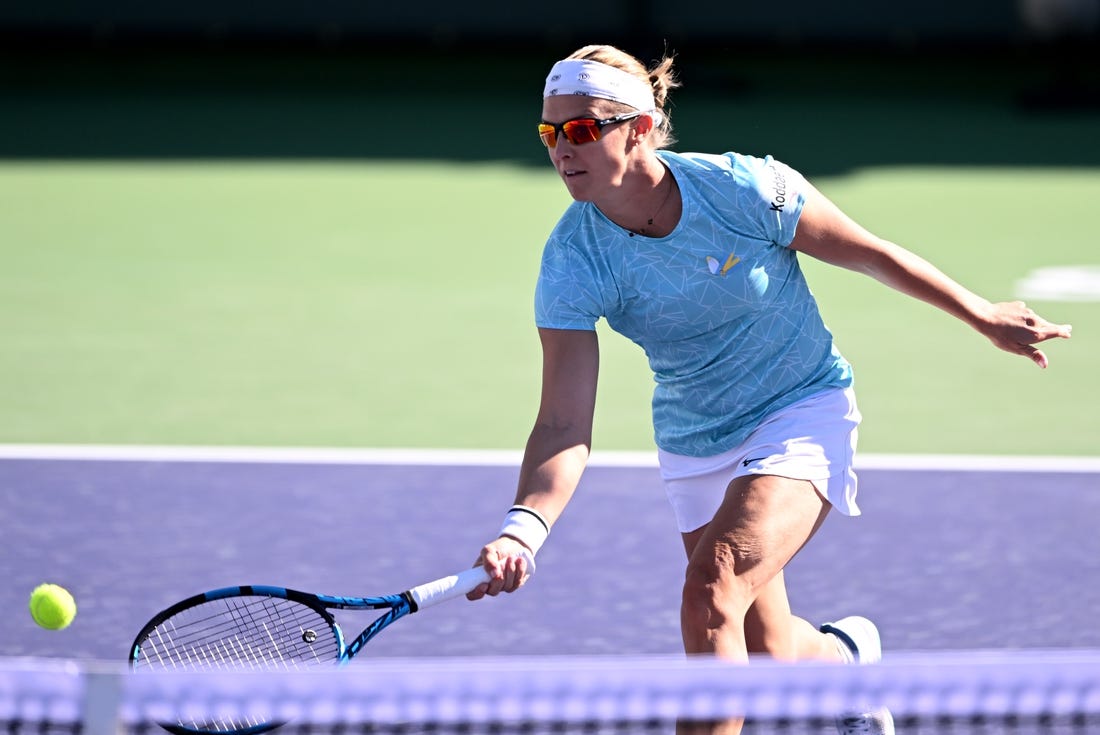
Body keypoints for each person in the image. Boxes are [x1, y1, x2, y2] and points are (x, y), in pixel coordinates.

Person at [465, 44, 1073, 735]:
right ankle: (845, 664)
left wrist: (981, 314)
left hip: (800, 409)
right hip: (697, 442)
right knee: (770, 651)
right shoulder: (572, 257)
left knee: (711, 586)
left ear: (637, 127)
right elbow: (562, 423)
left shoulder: (744, 190)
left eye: (581, 129)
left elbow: (871, 252)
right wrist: (524, 525)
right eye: (549, 133)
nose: (561, 149)